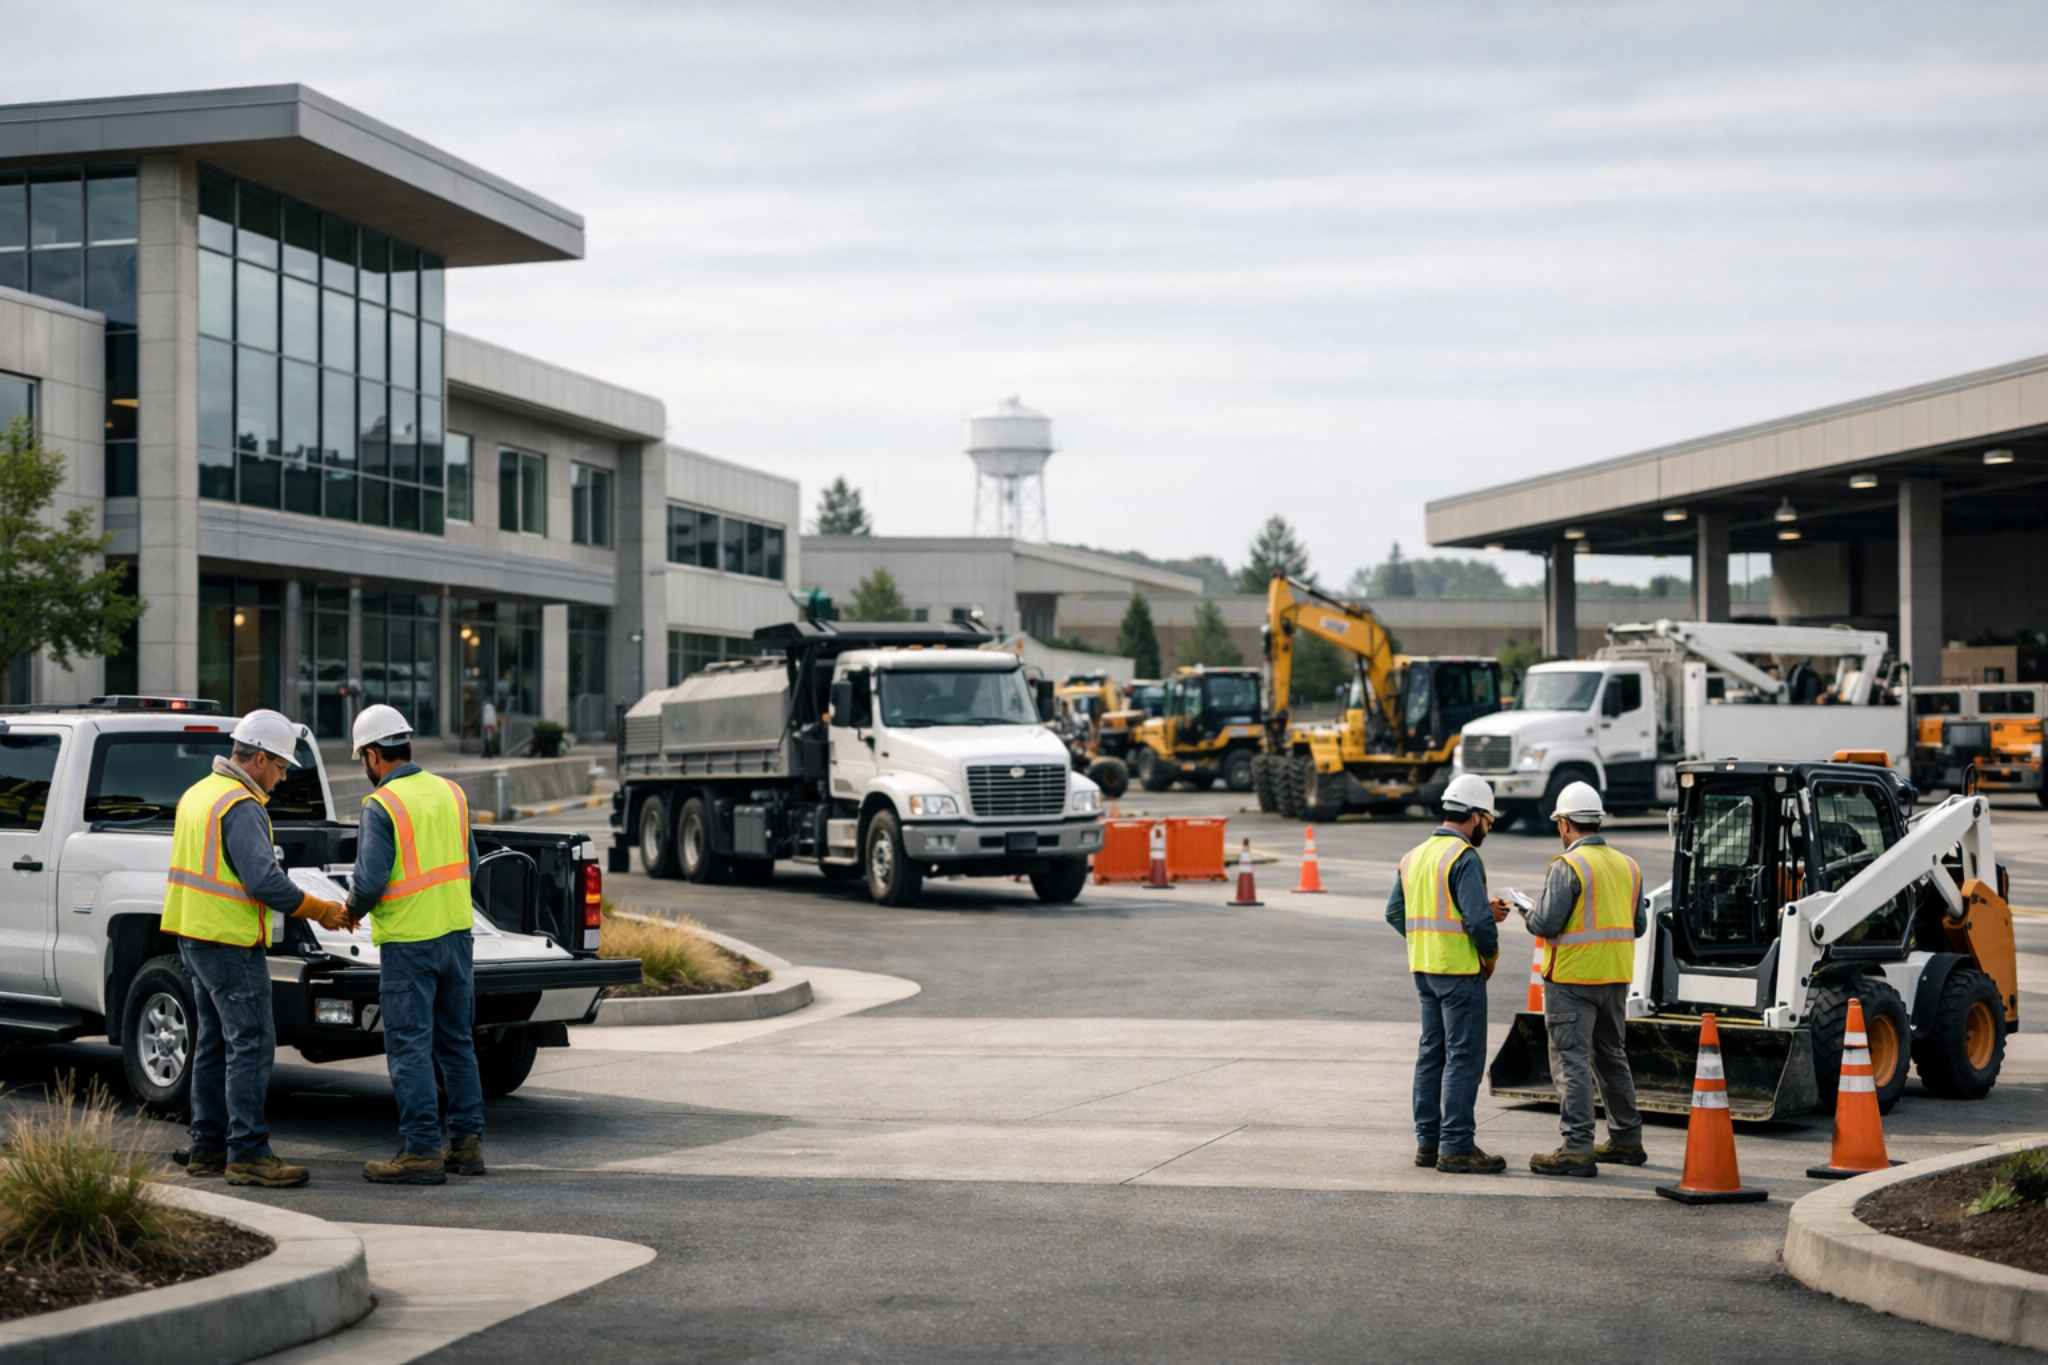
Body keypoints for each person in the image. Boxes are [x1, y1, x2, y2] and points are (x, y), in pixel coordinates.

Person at [162, 710, 349, 1187]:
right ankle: (247, 1153)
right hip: (229, 942)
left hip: (194, 936)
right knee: (252, 1044)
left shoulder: (197, 794)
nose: (284, 777)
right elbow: (265, 882)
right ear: (259, 758)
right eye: (282, 766)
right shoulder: (240, 805)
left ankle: (208, 1148)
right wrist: (321, 910)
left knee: (213, 1042)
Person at [345, 703, 485, 1186]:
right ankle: (466, 1146)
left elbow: (369, 881)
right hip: (455, 937)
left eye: (362, 757)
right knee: (457, 1043)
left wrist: (350, 911)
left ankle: (422, 1150)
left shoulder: (381, 805)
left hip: (409, 943)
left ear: (372, 755)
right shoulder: (452, 793)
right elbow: (472, 863)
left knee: (408, 1047)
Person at [1386, 773, 1512, 1175]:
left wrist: (1429, 937)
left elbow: (1395, 913)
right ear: (1474, 816)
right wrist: (1489, 952)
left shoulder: (1413, 855)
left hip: (1424, 970)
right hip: (1459, 971)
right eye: (1487, 823)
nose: (1486, 830)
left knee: (1431, 1055)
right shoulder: (1463, 857)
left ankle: (1429, 1143)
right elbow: (1476, 921)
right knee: (1463, 1057)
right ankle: (1456, 1146)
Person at [1523, 781, 1648, 1177]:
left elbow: (1545, 922)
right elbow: (1639, 925)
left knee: (1571, 1062)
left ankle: (1577, 1146)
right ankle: (1627, 1139)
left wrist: (1527, 912)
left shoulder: (1568, 866)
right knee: (1612, 1057)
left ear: (1565, 825)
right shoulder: (1629, 865)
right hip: (1614, 976)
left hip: (1573, 979)